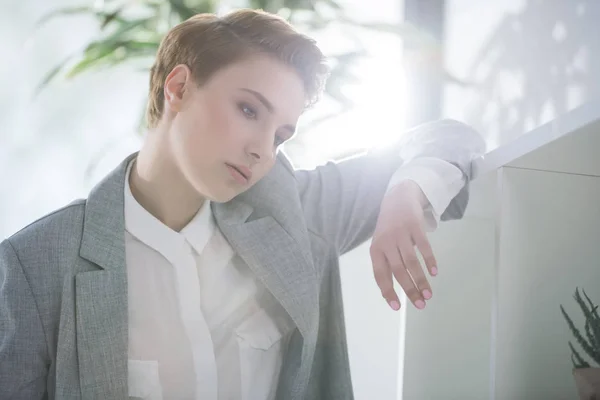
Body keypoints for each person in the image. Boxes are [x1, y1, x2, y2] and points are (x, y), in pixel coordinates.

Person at [0, 8, 485, 400]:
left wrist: (403, 193)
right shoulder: (36, 264)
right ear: (179, 87)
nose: (262, 151)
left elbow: (451, 139)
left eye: (280, 135)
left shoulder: (292, 213)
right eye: (249, 110)